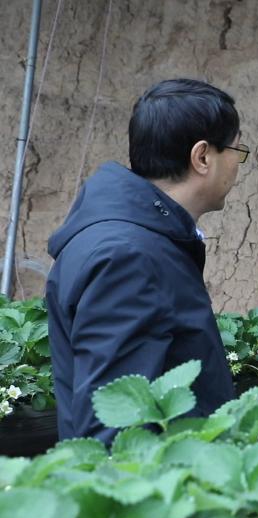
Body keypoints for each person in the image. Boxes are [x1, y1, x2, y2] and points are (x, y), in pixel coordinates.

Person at [46, 79, 246, 443]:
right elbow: (117, 431)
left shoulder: (139, 238)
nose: (238, 163)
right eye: (236, 149)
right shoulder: (128, 256)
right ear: (202, 157)